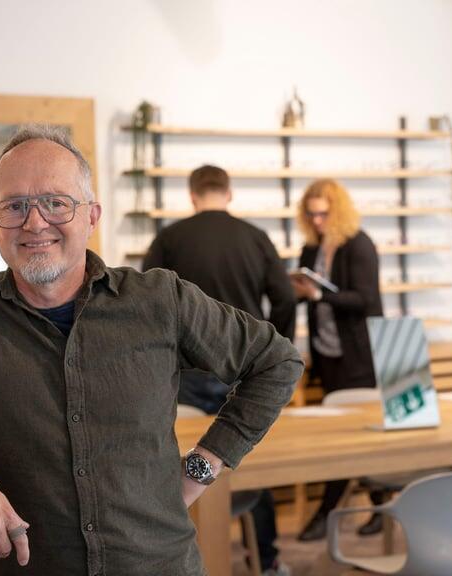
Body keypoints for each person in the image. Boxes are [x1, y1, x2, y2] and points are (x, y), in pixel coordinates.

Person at [0, 125, 303, 576]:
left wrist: (204, 465)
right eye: (14, 206)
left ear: (91, 216)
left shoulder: (159, 300)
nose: (34, 223)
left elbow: (276, 362)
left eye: (55, 202)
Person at [143, 164, 295, 576]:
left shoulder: (171, 238)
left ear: (192, 196)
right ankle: (266, 559)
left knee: (178, 462)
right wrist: (274, 345)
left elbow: (145, 302)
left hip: (186, 374)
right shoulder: (255, 237)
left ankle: (178, 556)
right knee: (244, 458)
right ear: (228, 194)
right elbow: (285, 297)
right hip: (246, 372)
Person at [291, 178, 384, 542]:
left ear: (339, 211)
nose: (317, 221)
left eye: (323, 214)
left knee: (352, 437)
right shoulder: (311, 248)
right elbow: (309, 297)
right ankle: (379, 506)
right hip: (326, 352)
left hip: (358, 354)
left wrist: (319, 296)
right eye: (311, 215)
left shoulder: (358, 245)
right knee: (345, 436)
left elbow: (365, 299)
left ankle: (327, 513)